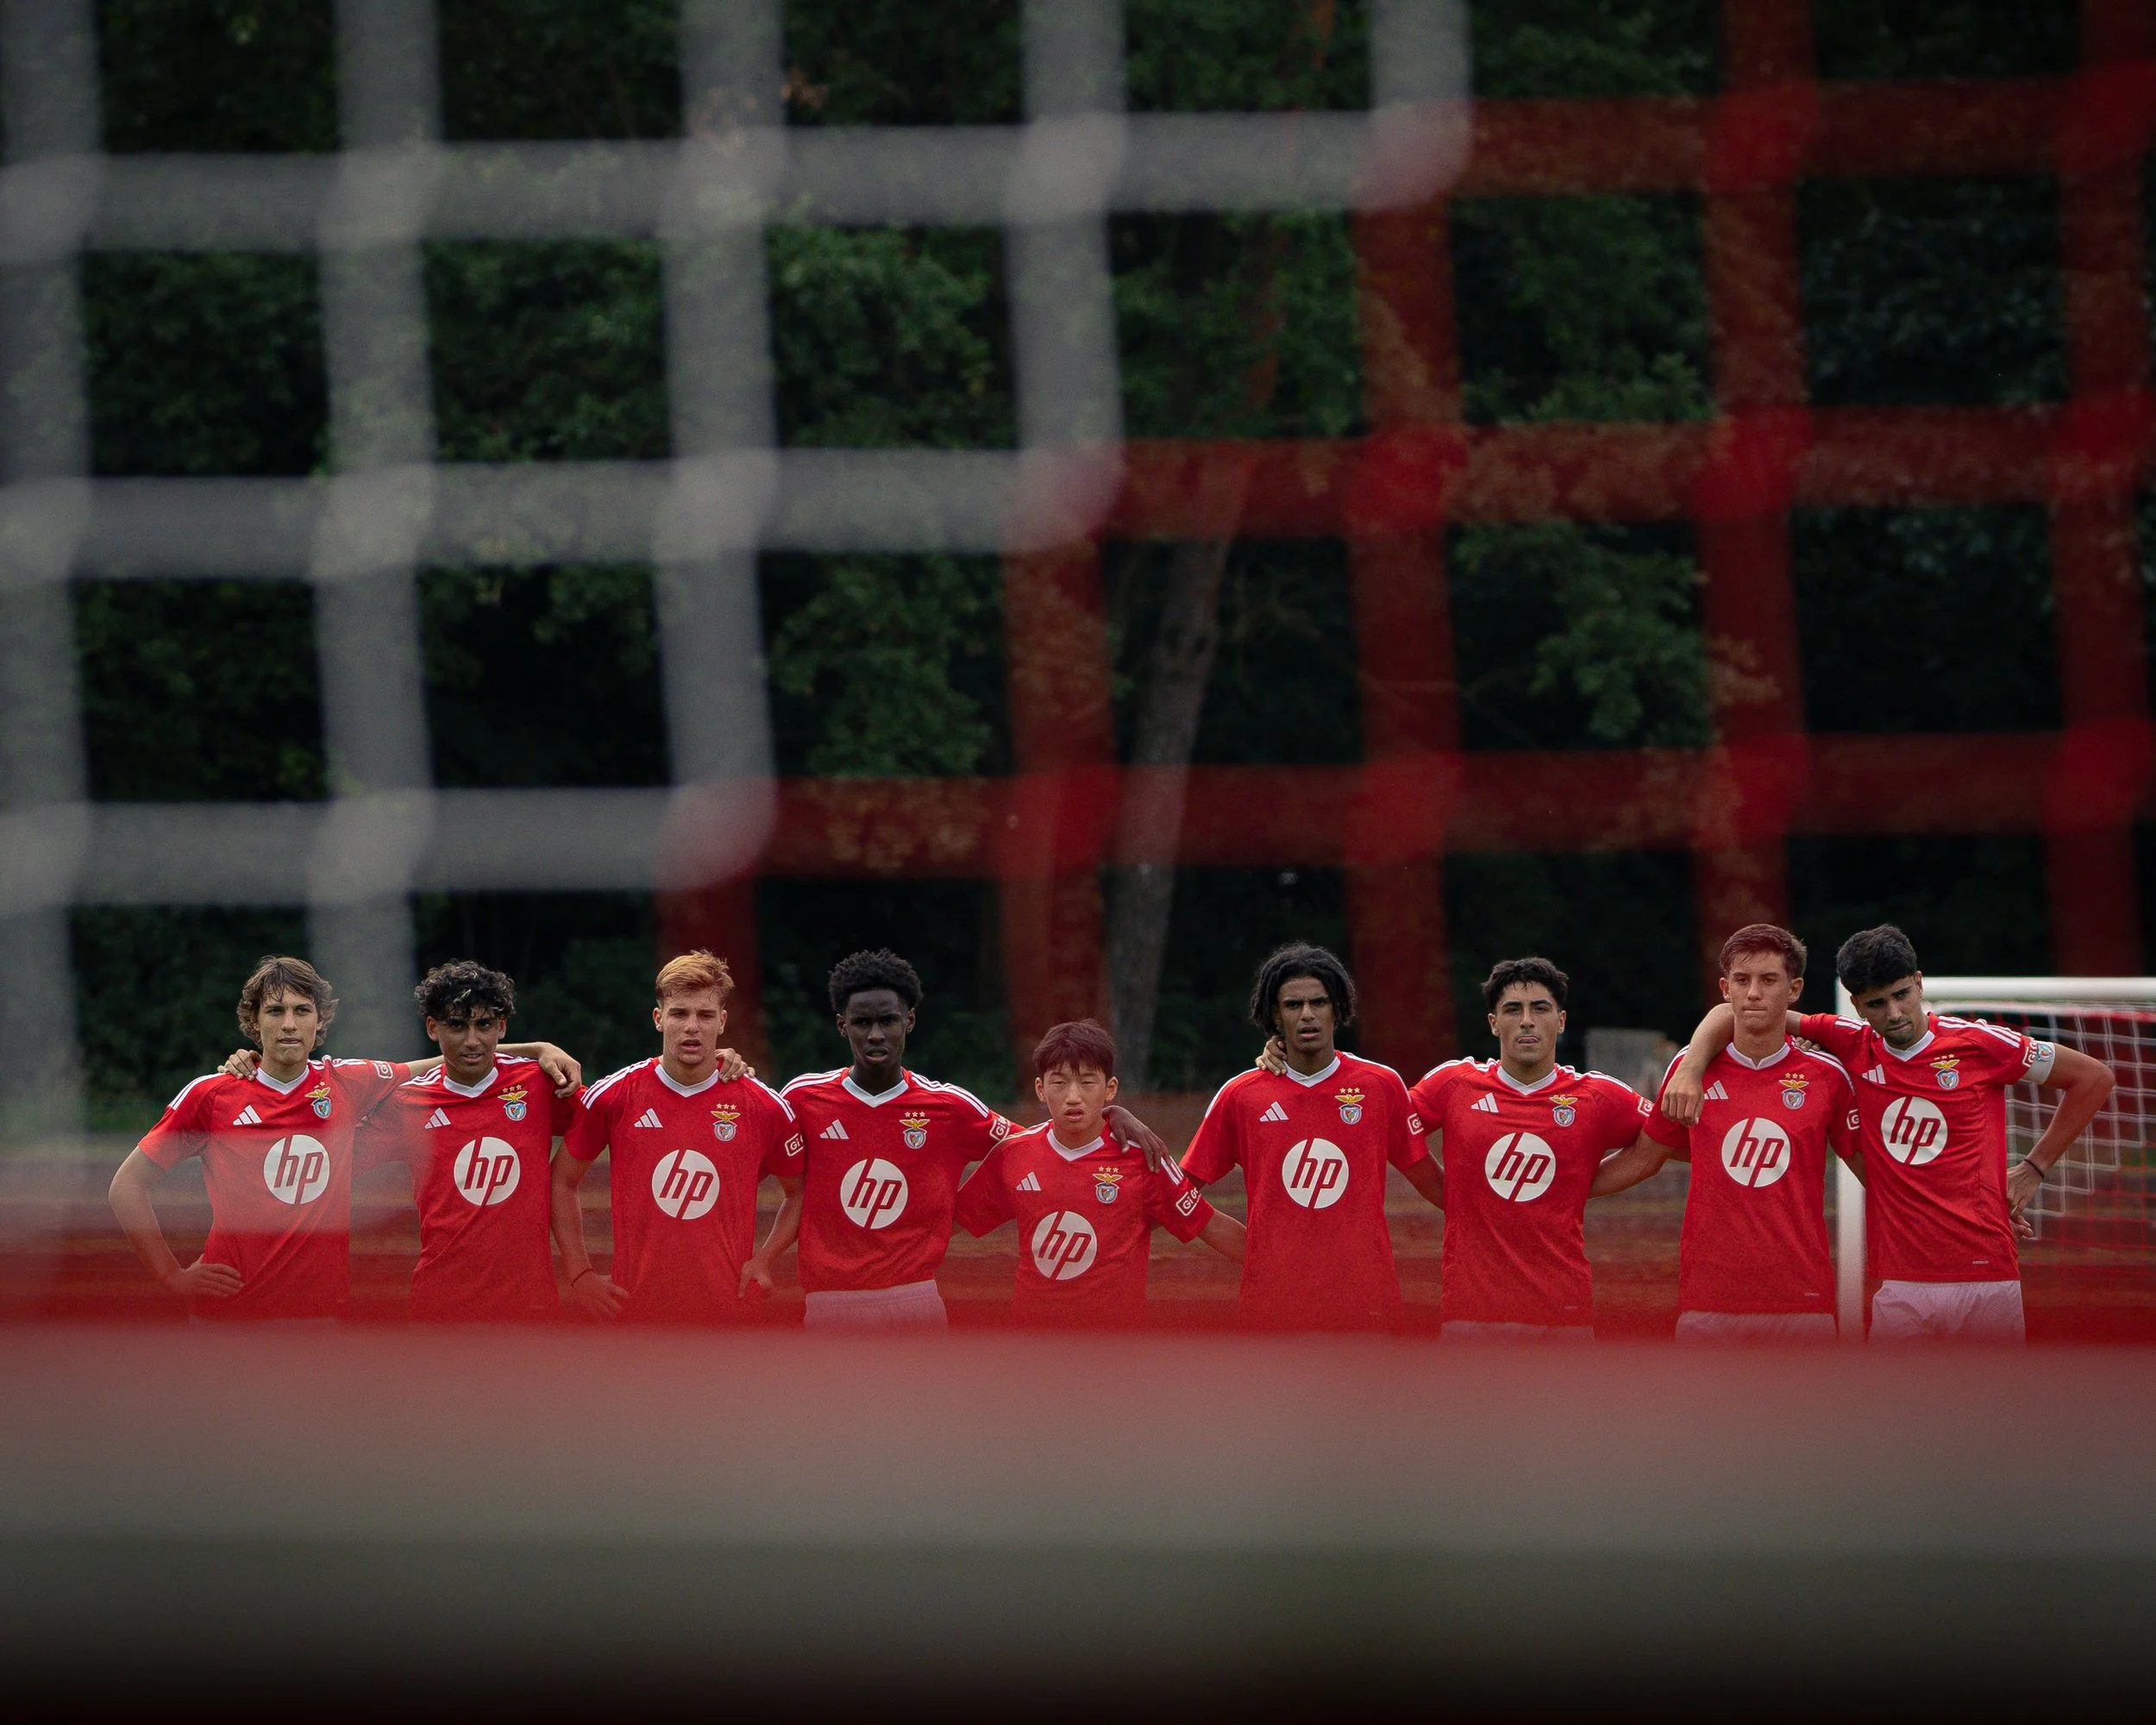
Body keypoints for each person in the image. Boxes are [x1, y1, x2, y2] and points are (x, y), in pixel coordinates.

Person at [1661, 923, 2115, 1343]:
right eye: (1877, 1003)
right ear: (1857, 1005)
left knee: (1992, 1424)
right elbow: (1738, 1013)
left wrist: (2034, 1167)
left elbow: (2093, 1079)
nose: (1895, 1013)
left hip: (1987, 1273)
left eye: (1902, 995)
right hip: (1901, 1281)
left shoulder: (1981, 1043)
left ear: (1919, 984)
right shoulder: (1852, 1043)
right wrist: (1693, 1066)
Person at [773, 948, 1170, 1334]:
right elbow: (743, 1148)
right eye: (862, 1023)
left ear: (908, 1021)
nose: (876, 1034)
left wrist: (1108, 1114)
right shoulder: (802, 1098)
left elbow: (1040, 1147)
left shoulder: (951, 1106)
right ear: (842, 1025)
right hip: (828, 1301)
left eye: (888, 1021)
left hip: (915, 1298)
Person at [1589, 925, 1862, 1341]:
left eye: (1768, 980)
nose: (1754, 993)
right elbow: (1645, 1158)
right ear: (1725, 988)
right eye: (1742, 980)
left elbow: (1875, 1174)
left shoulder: (1827, 1077)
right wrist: (1562, 1189)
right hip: (1710, 1302)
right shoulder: (1688, 1071)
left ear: (1794, 990)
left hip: (1802, 1301)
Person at [106, 956, 414, 1321]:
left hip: (318, 1315)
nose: (289, 1024)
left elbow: (448, 1062)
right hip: (228, 1316)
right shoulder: (211, 1095)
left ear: (320, 1020)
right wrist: (171, 1276)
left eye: (302, 1011)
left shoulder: (346, 1082)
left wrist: (500, 1055)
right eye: (274, 1011)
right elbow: (125, 1186)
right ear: (254, 1020)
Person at [1187, 943, 1441, 1331]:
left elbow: (1431, 1183)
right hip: (1271, 1310)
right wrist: (1250, 1250)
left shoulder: (1381, 1085)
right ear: (1274, 1014)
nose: (1307, 1015)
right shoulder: (1241, 1095)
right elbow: (1179, 1192)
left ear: (1337, 1009)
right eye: (1292, 1005)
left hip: (1366, 1307)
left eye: (1319, 1003)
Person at [1407, 957, 1661, 1341]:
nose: (1527, 1020)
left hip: (1564, 1314)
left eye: (1540, 1008)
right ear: (1494, 1023)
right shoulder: (1454, 1083)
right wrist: (1446, 1191)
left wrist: (1580, 1183)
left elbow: (1667, 1144)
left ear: (1560, 1021)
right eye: (1513, 1009)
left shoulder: (1597, 1095)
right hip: (1470, 1314)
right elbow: (1387, 1132)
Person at [552, 950, 804, 1324]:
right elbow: (562, 1180)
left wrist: (765, 1258)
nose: (691, 1027)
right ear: (658, 1018)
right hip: (634, 1314)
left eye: (704, 1015)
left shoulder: (763, 1105)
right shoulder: (614, 1096)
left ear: (721, 1021)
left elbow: (800, 1190)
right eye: (679, 1013)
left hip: (729, 1316)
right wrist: (580, 1274)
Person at [954, 1018, 1244, 1327]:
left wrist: (1282, 1271)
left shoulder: (1142, 1158)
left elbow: (1208, 1224)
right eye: (1059, 1082)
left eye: (1087, 1082)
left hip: (1113, 1349)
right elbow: (950, 1224)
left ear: (1110, 1089)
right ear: (1040, 1089)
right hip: (1033, 1343)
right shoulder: (1013, 1155)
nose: (1073, 1096)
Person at [354, 959, 579, 1322]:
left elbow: (618, 1116)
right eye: (457, 1026)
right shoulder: (407, 1103)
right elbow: (331, 1158)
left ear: (501, 1026)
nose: (472, 1040)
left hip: (529, 1306)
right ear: (432, 1027)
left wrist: (703, 1072)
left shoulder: (539, 1084)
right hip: (442, 1306)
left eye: (484, 1024)